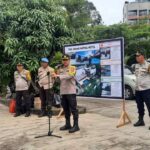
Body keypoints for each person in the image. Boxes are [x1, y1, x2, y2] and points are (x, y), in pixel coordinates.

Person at [53, 54, 80, 133]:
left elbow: (69, 76)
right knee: (66, 109)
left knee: (73, 109)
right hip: (63, 92)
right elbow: (58, 81)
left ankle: (76, 125)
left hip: (71, 92)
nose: (65, 61)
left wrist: (58, 75)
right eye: (63, 60)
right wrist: (55, 77)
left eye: (66, 60)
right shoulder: (60, 69)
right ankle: (68, 124)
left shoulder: (72, 68)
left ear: (69, 60)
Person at [133, 50, 150, 129]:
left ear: (142, 56)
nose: (137, 58)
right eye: (136, 56)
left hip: (146, 90)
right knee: (139, 106)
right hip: (138, 90)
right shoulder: (136, 66)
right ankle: (141, 120)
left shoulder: (148, 65)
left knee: (149, 106)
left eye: (138, 56)